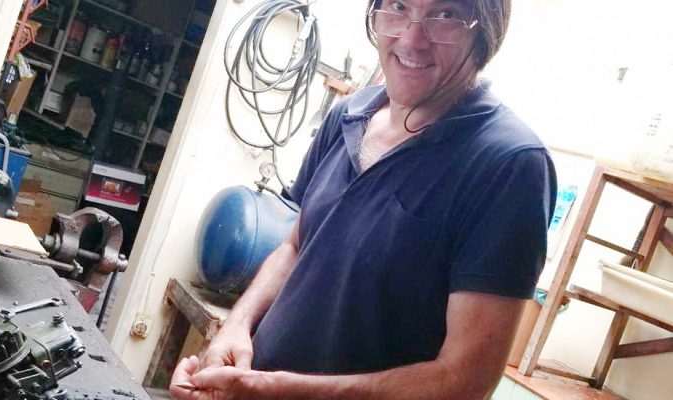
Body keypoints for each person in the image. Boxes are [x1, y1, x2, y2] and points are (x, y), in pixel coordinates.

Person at [170, 0, 557, 398]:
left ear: (486, 30)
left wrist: (277, 390)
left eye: (445, 15)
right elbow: (295, 246)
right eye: (398, 6)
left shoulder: (510, 164)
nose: (411, 39)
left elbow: (465, 381)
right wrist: (236, 327)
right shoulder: (348, 113)